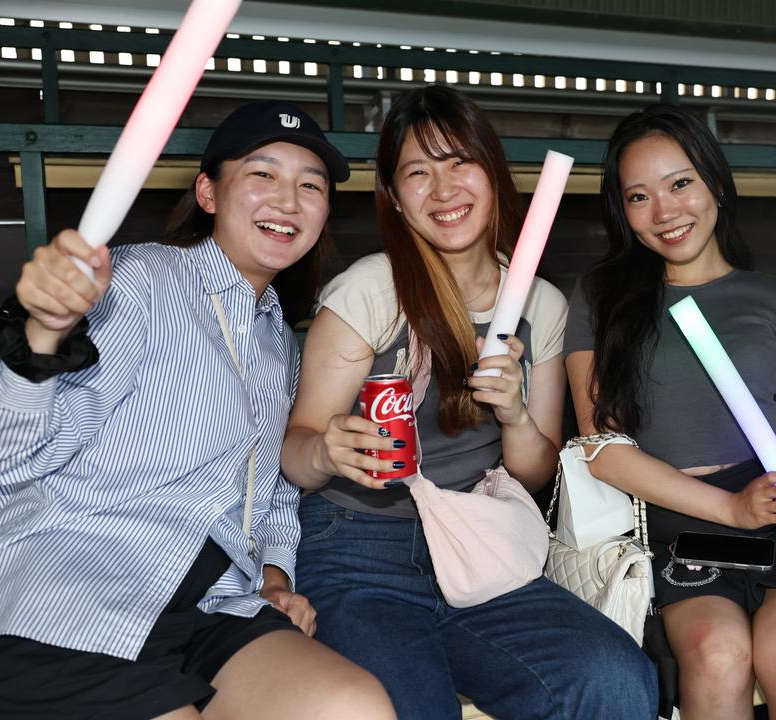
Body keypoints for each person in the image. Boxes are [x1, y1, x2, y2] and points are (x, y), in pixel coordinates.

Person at [0, 101, 394, 720]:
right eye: (263, 174)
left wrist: (275, 577)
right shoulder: (138, 283)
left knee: (353, 705)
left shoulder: (276, 334)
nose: (289, 199)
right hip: (69, 597)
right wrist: (39, 338)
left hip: (206, 604)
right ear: (207, 191)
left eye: (311, 185)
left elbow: (271, 487)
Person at [280, 84, 657, 720]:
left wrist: (514, 414)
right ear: (396, 200)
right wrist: (326, 448)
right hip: (356, 548)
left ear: (493, 174)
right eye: (417, 173)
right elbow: (295, 452)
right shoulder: (371, 290)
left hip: (480, 544)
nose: (444, 188)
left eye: (460, 162)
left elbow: (534, 473)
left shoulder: (540, 304)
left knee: (614, 678)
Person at [564, 104, 776, 720]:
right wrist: (730, 508)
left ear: (716, 184)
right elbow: (602, 448)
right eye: (639, 196)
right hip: (682, 519)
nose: (666, 211)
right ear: (622, 211)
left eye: (681, 184)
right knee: (717, 652)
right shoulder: (601, 298)